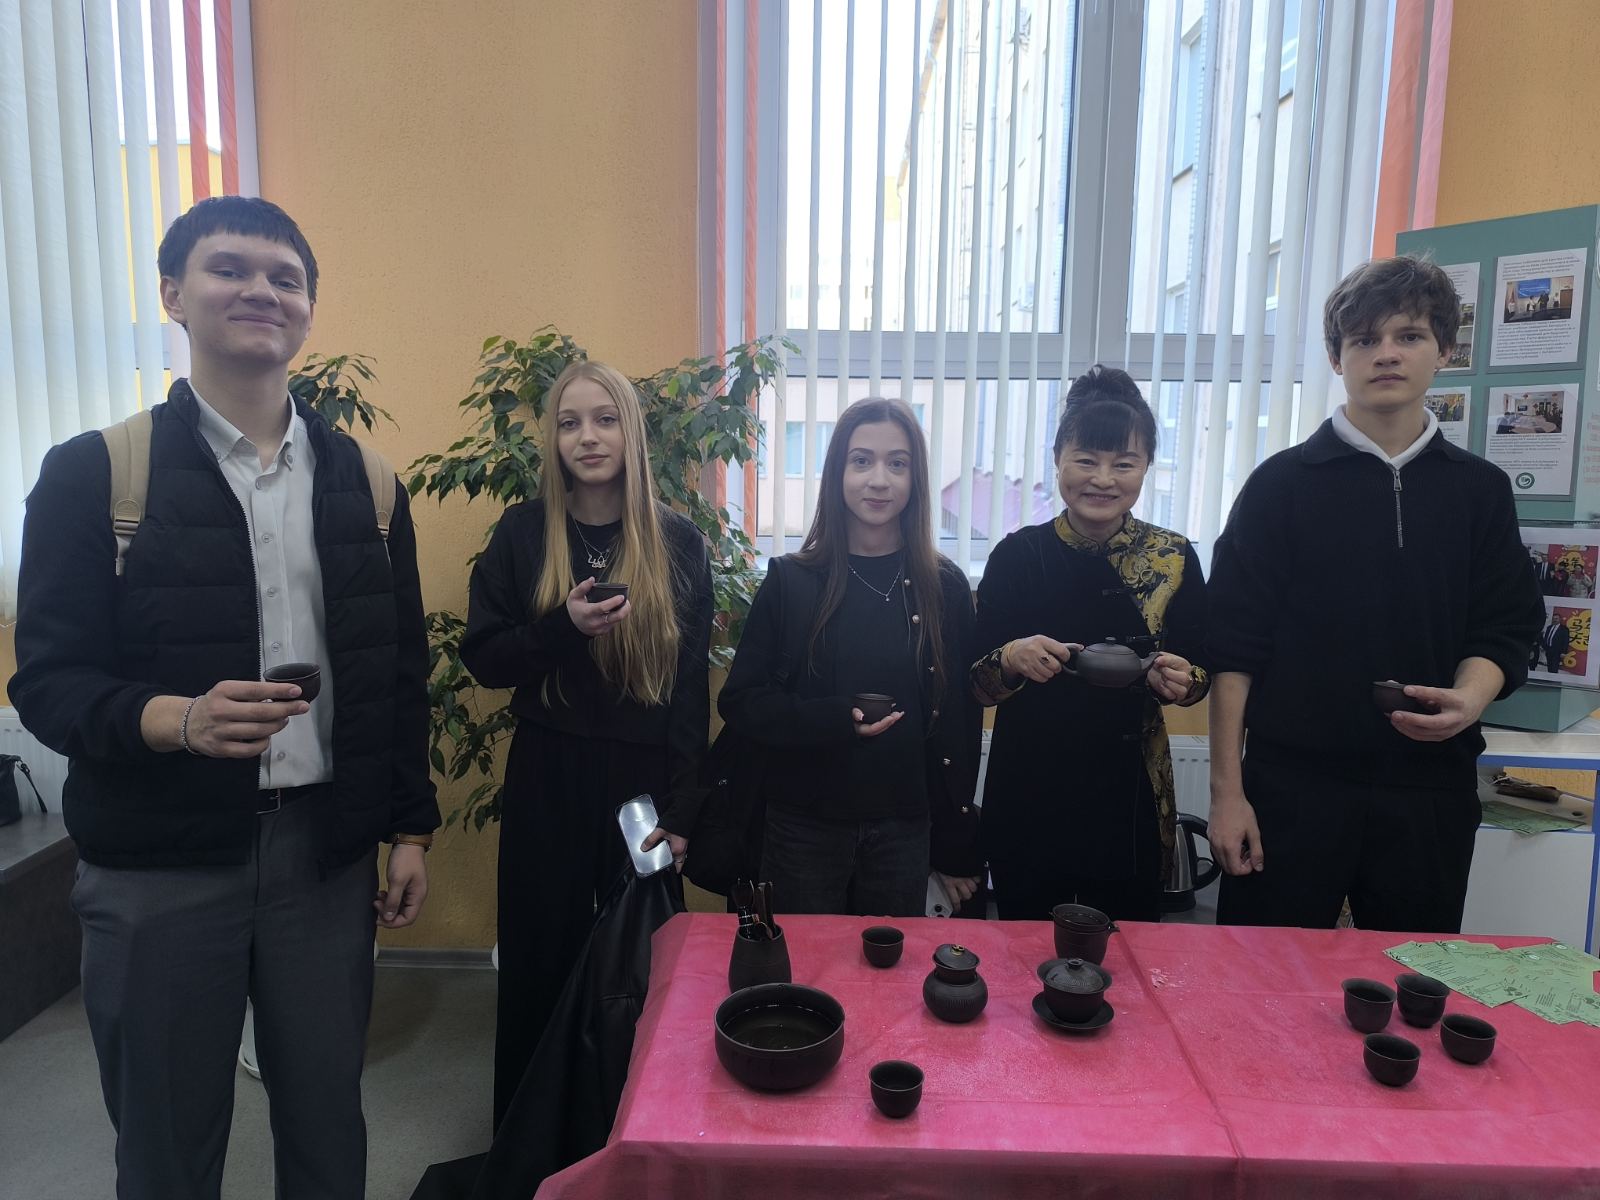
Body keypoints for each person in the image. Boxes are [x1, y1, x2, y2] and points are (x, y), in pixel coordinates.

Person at [9, 196, 438, 1200]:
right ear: (173, 293)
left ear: (309, 310)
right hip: (156, 862)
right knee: (166, 1140)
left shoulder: (370, 485)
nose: (261, 291)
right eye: (230, 268)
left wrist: (410, 829)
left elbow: (396, 675)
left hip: (322, 858)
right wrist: (179, 720)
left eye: (286, 278)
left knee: (327, 1121)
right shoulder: (97, 475)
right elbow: (49, 682)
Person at [1207, 255, 1543, 934]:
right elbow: (1232, 648)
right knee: (1263, 980)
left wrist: (1470, 698)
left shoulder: (1480, 491)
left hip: (1429, 788)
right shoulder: (1280, 486)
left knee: (1411, 981)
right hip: (1290, 789)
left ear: (1443, 350)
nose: (1386, 353)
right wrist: (1226, 796)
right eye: (1365, 339)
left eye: (1409, 336)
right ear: (1337, 358)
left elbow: (1506, 625)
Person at [460, 360, 713, 1129]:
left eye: (605, 419)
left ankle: (634, 1132)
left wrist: (685, 811)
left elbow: (690, 692)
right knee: (540, 956)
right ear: (553, 438)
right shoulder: (522, 532)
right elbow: (487, 659)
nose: (588, 437)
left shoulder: (677, 540)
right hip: (547, 772)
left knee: (641, 964)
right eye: (570, 422)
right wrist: (561, 629)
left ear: (630, 431)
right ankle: (532, 1138)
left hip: (643, 788)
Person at [717, 397, 982, 918]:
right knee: (802, 966)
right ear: (837, 472)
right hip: (802, 827)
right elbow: (741, 702)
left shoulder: (944, 586)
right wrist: (835, 719)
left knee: (888, 968)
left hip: (905, 829)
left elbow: (958, 720)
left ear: (916, 479)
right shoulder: (792, 580)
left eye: (897, 463)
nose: (879, 480)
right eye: (861, 461)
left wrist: (955, 842)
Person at [970, 366, 1208, 923]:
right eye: (1086, 460)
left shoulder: (1173, 558)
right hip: (1029, 789)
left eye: (1124, 464)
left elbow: (1202, 673)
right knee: (1024, 947)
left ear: (1146, 466)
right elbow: (976, 684)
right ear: (1058, 460)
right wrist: (1011, 658)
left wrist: (1181, 678)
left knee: (1126, 949)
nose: (1103, 479)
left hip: (1131, 795)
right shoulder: (1017, 555)